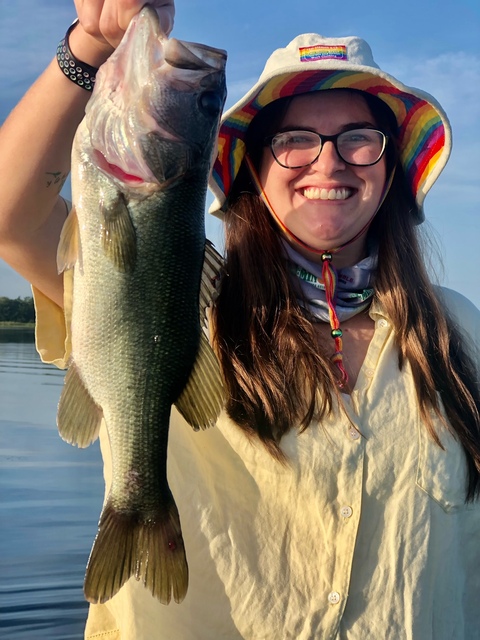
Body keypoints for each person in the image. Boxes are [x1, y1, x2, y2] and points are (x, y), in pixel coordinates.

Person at [1, 1, 479, 638]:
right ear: (253, 168)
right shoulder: (189, 303)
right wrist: (89, 43)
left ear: (391, 168)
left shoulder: (459, 332)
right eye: (293, 140)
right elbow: (14, 217)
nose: (328, 163)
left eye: (360, 140)